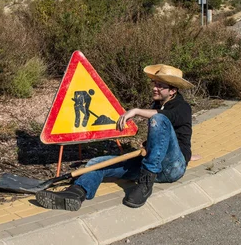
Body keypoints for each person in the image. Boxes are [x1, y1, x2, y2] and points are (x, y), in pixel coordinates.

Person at [36, 64, 194, 211]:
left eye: (160, 85)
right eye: (154, 83)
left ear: (173, 90)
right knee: (96, 163)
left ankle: (145, 186)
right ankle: (76, 193)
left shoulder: (182, 107)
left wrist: (136, 111)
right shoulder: (157, 104)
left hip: (172, 167)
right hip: (152, 164)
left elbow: (165, 120)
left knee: (158, 120)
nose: (155, 88)